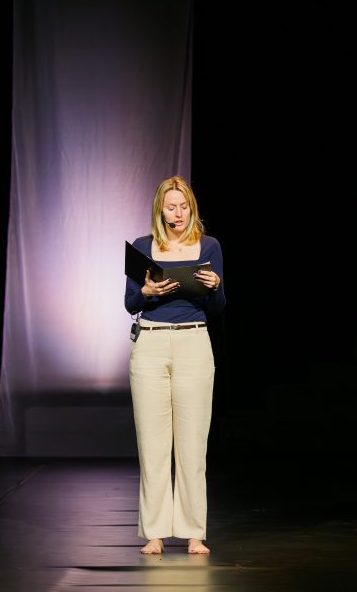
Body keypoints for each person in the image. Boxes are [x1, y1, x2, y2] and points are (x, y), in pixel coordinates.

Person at [125, 175, 226, 555]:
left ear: (191, 208)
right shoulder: (143, 246)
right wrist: (146, 291)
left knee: (192, 444)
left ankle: (193, 532)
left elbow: (218, 308)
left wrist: (214, 286)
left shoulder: (209, 246)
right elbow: (130, 302)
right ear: (160, 210)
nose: (178, 214)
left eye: (183, 206)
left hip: (193, 341)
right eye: (171, 207)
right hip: (151, 344)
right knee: (152, 444)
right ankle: (154, 532)